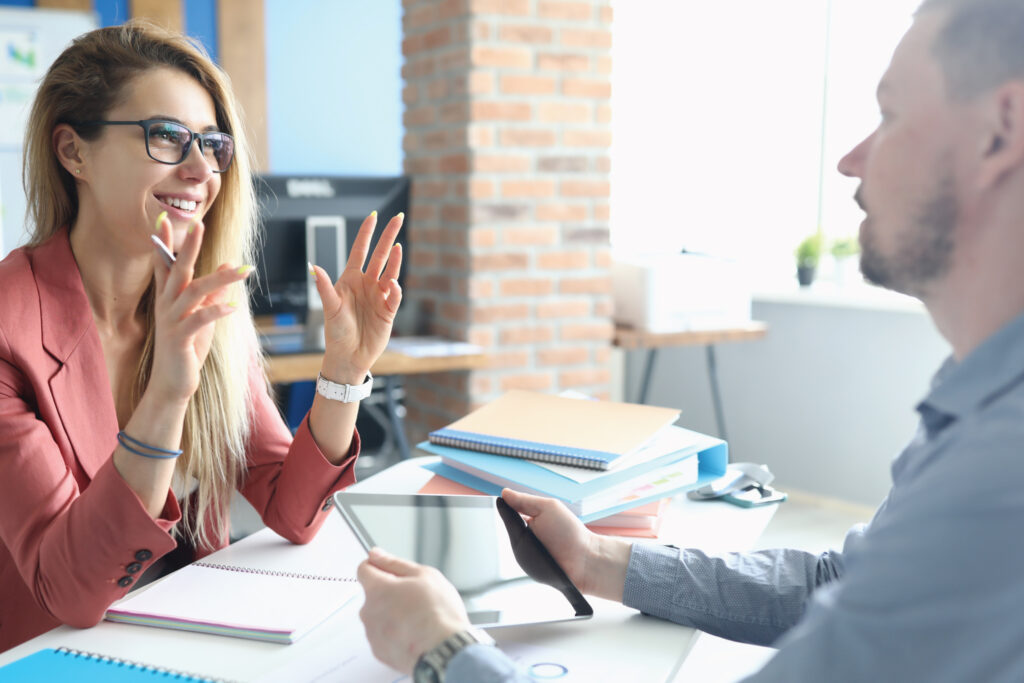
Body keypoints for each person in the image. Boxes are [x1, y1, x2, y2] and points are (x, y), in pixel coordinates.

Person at [357, 0, 1024, 680]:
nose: (851, 160)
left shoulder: (1001, 467)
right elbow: (842, 580)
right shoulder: (977, 395)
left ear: (1001, 131)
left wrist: (443, 650)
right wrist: (598, 559)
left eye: (889, 115)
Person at [0, 20, 403, 652]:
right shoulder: (7, 333)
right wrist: (167, 394)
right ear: (73, 152)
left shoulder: (205, 303)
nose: (199, 169)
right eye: (166, 136)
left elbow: (291, 511)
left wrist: (345, 372)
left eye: (212, 145)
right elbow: (72, 590)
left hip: (188, 636)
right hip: (50, 654)